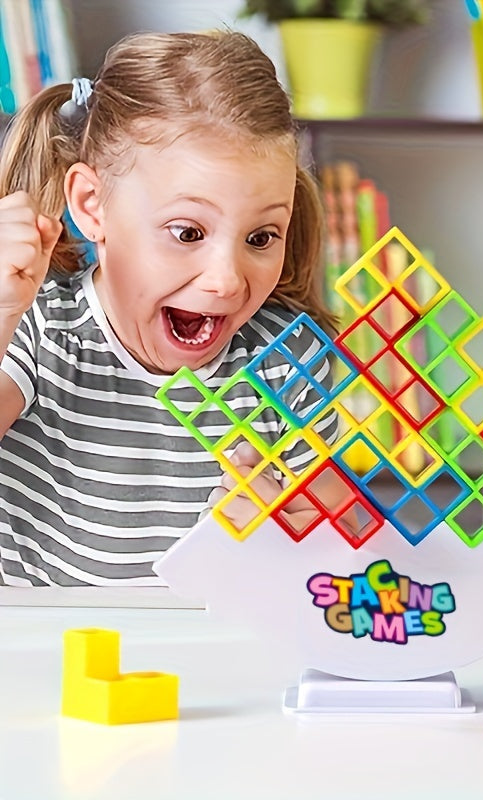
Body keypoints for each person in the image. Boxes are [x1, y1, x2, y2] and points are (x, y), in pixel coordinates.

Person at [0, 31, 344, 586]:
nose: (228, 280)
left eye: (261, 237)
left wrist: (290, 531)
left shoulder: (286, 361)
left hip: (213, 661)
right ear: (92, 207)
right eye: (187, 232)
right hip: (46, 664)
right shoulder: (38, 328)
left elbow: (333, 541)